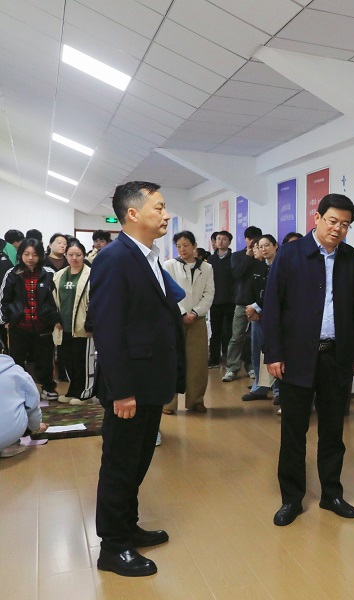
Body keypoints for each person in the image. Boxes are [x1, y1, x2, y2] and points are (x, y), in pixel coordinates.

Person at [89, 181, 185, 577]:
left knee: (138, 460)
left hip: (150, 380)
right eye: (159, 207)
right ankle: (113, 547)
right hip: (130, 386)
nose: (166, 215)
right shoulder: (114, 258)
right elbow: (108, 329)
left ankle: (127, 526)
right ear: (133, 213)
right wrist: (122, 391)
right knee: (120, 464)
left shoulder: (148, 256)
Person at [264, 194, 354, 526]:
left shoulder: (352, 259)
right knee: (294, 431)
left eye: (345, 224)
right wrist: (274, 353)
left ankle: (331, 494)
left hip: (336, 356)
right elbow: (273, 306)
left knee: (333, 431)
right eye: (333, 221)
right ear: (317, 218)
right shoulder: (291, 254)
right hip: (296, 357)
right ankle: (291, 499)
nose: (338, 229)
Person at [0, 239, 60, 400]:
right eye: (26, 254)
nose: (30, 258)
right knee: (17, 360)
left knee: (45, 359)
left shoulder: (49, 273)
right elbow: (4, 299)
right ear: (20, 255)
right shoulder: (12, 273)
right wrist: (6, 320)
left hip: (43, 324)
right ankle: (19, 390)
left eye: (35, 254)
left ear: (40, 255)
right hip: (19, 324)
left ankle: (48, 387)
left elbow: (55, 299)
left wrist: (54, 318)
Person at [162, 231, 214, 414]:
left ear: (194, 246)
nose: (182, 249)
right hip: (175, 319)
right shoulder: (169, 265)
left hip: (197, 319)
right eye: (178, 246)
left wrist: (196, 312)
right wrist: (183, 312)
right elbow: (168, 292)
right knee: (172, 360)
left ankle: (196, 400)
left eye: (185, 245)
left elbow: (209, 293)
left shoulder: (206, 268)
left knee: (198, 361)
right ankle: (168, 402)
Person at [52, 239, 93, 404]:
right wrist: (55, 318)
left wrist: (91, 322)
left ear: (84, 256)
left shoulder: (91, 275)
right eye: (71, 255)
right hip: (63, 326)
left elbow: (96, 301)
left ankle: (84, 393)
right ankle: (72, 390)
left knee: (81, 361)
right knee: (68, 361)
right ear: (66, 256)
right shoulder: (59, 275)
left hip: (82, 326)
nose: (74, 258)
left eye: (78, 255)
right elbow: (53, 300)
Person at [223, 226, 261, 382]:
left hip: (259, 303)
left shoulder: (261, 255)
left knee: (255, 338)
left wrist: (256, 256)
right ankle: (232, 368)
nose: (252, 242)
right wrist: (247, 256)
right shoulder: (237, 255)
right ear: (245, 239)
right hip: (241, 302)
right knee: (237, 336)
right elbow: (237, 274)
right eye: (249, 239)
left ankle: (252, 366)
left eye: (255, 239)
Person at [243, 234, 278, 402]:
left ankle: (278, 391)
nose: (263, 249)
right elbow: (252, 289)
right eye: (260, 246)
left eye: (267, 245)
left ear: (275, 246)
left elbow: (274, 293)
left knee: (275, 354)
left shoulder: (281, 266)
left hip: (275, 317)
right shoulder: (259, 266)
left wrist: (256, 306)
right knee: (257, 352)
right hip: (258, 316)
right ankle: (260, 387)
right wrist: (252, 309)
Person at [0, 354, 48, 458]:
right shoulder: (16, 371)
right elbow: (33, 404)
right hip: (8, 434)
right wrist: (36, 426)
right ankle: (8, 445)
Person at [207, 231, 234, 368]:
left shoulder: (234, 258)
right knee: (215, 330)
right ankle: (214, 358)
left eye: (224, 239)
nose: (221, 241)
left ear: (229, 242)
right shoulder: (211, 260)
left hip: (230, 300)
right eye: (218, 239)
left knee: (228, 331)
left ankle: (228, 358)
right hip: (214, 300)